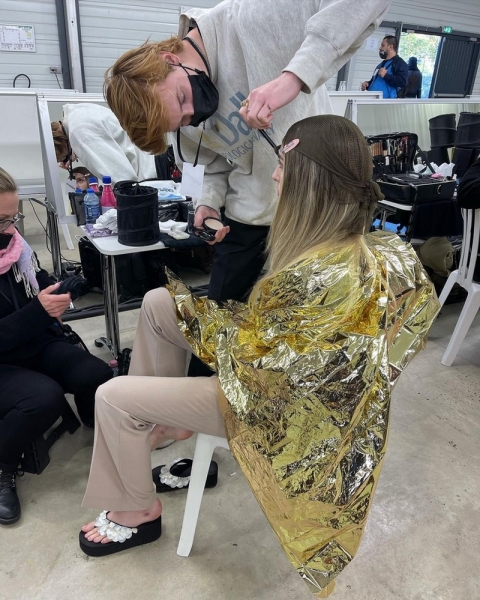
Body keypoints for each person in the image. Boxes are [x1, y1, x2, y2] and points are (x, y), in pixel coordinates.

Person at [79, 115, 439, 596]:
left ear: (310, 180)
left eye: (283, 165)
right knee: (159, 304)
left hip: (272, 410)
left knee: (113, 396)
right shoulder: (358, 247)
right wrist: (203, 319)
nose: (274, 174)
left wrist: (209, 327)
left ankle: (137, 510)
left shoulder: (322, 272)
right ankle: (165, 425)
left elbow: (260, 373)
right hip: (272, 375)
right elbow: (274, 343)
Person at [104, 0, 391, 303]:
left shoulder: (253, 16)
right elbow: (206, 167)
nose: (193, 113)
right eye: (183, 120)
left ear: (169, 59)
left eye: (182, 97)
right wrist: (207, 204)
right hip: (247, 215)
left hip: (315, 207)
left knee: (318, 314)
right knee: (222, 315)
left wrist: (293, 78)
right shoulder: (181, 119)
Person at [0, 167, 113, 525]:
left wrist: (63, 288)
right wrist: (39, 311)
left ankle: (99, 427)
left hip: (31, 341)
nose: (10, 228)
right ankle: (3, 467)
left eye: (13, 217)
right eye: (2, 220)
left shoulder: (13, 245)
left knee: (95, 373)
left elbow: (36, 280)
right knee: (43, 399)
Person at [51, 103, 158, 184]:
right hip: (150, 154)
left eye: (63, 158)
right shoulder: (76, 116)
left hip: (148, 172)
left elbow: (122, 179)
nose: (65, 160)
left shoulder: (79, 133)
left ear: (60, 145)